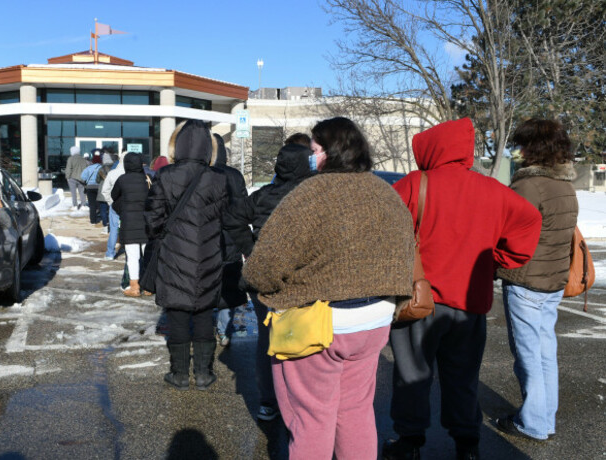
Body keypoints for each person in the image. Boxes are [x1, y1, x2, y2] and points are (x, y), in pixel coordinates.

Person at [242, 117, 414, 459]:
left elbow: (263, 268)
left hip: (320, 323)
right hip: (375, 320)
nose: (312, 156)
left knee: (312, 418)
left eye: (315, 149)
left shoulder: (310, 195)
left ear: (331, 152)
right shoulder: (385, 192)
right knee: (356, 411)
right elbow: (404, 252)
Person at [383, 118, 543, 460]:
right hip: (470, 303)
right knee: (463, 377)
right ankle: (467, 444)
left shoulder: (414, 184)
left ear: (431, 148)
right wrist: (496, 259)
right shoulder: (492, 189)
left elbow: (381, 232)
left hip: (416, 301)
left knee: (412, 375)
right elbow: (529, 219)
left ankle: (409, 442)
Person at [494, 119, 578, 441]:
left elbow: (508, 233)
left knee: (529, 357)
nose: (520, 150)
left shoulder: (528, 186)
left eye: (523, 144)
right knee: (545, 354)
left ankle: (532, 424)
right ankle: (545, 420)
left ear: (535, 147)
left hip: (526, 281)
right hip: (553, 282)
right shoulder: (565, 186)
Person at [223, 140, 313, 421]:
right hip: (304, 276)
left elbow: (232, 217)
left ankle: (269, 400)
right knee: (308, 335)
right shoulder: (314, 196)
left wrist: (251, 250)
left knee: (269, 337)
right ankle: (301, 400)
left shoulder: (264, 195)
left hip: (263, 276)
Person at [144, 120, 227, 391]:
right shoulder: (218, 178)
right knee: (204, 315)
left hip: (174, 257)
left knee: (177, 315)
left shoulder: (165, 176)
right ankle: (203, 374)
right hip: (209, 256)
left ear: (177, 144)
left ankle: (179, 374)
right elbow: (228, 219)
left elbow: (152, 220)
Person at [211, 134, 248, 348]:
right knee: (229, 283)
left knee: (208, 282)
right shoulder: (235, 175)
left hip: (209, 237)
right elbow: (243, 206)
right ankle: (225, 330)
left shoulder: (204, 173)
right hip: (232, 236)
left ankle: (209, 327)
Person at [111, 152, 150, 297]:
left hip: (129, 224)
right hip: (147, 224)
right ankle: (149, 287)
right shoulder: (147, 179)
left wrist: (121, 206)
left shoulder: (122, 180)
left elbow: (114, 196)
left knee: (133, 257)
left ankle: (134, 287)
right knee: (148, 255)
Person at [101, 150, 127, 260]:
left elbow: (105, 190)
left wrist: (110, 201)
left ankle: (110, 253)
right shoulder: (133, 174)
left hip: (115, 204)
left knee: (113, 228)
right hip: (130, 205)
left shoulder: (112, 173)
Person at [80, 157, 103, 225]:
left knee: (92, 204)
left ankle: (93, 220)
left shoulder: (88, 168)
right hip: (99, 187)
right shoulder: (102, 168)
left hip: (90, 187)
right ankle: (100, 217)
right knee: (99, 203)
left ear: (92, 161)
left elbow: (82, 177)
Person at [96, 152, 115, 231]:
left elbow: (97, 180)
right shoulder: (114, 168)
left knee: (103, 209)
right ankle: (112, 224)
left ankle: (105, 224)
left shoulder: (101, 169)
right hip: (112, 191)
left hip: (103, 191)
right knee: (112, 209)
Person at [64, 146, 87, 210]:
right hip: (81, 178)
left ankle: (75, 205)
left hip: (72, 178)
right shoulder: (83, 159)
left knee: (73, 192)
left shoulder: (70, 159)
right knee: (82, 192)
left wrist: (67, 177)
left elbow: (68, 168)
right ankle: (83, 204)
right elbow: (85, 169)